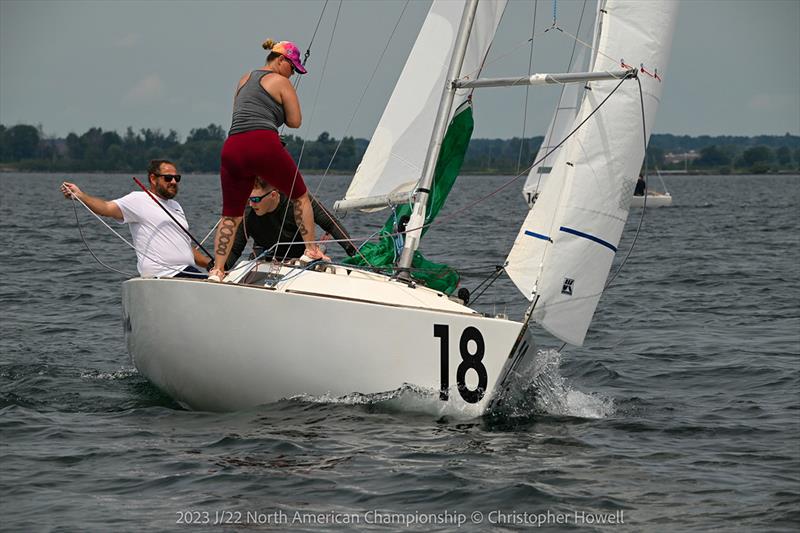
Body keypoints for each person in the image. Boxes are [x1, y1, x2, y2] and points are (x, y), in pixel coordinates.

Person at [210, 38, 327, 282]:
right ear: (281, 60)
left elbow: (239, 110)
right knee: (300, 196)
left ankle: (217, 270)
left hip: (232, 146)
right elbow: (295, 122)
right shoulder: (281, 81)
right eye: (292, 67)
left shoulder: (244, 79)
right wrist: (280, 109)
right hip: (262, 142)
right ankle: (311, 251)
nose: (293, 74)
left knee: (230, 214)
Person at [61, 159, 212, 278]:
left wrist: (211, 264)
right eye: (168, 178)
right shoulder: (138, 199)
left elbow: (184, 246)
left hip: (187, 272)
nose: (173, 182)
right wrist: (80, 196)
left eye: (176, 178)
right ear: (153, 179)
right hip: (165, 274)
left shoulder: (176, 206)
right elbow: (106, 208)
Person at [224, 177, 357, 270]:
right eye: (249, 199)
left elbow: (331, 224)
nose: (251, 204)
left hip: (303, 260)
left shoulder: (298, 202)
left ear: (274, 195)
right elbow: (236, 249)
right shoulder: (247, 213)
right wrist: (220, 270)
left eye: (256, 199)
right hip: (265, 261)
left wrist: (354, 253)